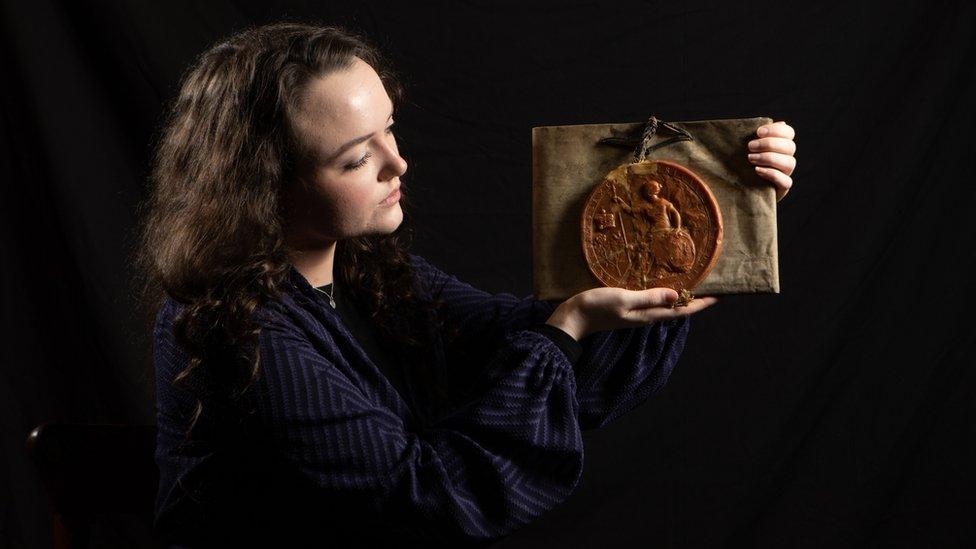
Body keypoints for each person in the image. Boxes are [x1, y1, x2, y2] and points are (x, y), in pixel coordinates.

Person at [132, 21, 797, 547]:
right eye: (359, 157)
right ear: (264, 188)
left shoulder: (366, 275)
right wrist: (564, 333)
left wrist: (731, 189)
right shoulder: (239, 333)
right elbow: (432, 495)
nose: (399, 161)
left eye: (389, 128)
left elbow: (512, 336)